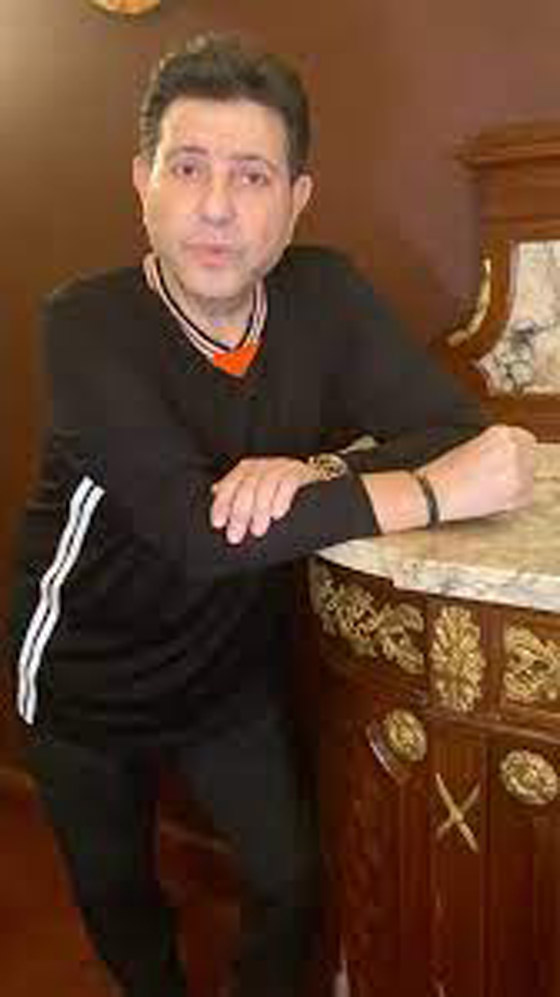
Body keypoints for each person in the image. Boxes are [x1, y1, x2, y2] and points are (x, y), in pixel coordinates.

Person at [10, 32, 534, 997]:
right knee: (121, 896)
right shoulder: (86, 323)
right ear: (143, 182)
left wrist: (311, 468)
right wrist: (431, 493)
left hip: (226, 671)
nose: (216, 206)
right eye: (188, 167)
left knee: (290, 881)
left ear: (295, 200)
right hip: (86, 674)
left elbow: (448, 425)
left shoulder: (324, 294)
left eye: (252, 176)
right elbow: (196, 532)